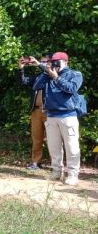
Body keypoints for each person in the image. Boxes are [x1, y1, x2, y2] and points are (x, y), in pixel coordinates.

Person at [42, 52, 83, 185]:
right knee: (53, 146)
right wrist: (46, 72)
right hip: (51, 115)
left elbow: (72, 88)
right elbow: (36, 86)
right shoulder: (48, 75)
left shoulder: (75, 74)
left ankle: (72, 174)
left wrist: (56, 77)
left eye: (56, 62)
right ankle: (56, 171)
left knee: (71, 147)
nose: (54, 64)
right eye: (52, 62)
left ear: (65, 62)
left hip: (68, 115)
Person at [18, 53, 51, 170]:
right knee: (37, 138)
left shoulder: (55, 75)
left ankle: (57, 165)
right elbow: (24, 81)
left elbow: (52, 75)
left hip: (50, 112)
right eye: (41, 61)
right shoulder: (39, 76)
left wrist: (39, 65)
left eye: (45, 62)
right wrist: (21, 69)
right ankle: (36, 162)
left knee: (53, 139)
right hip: (36, 111)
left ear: (51, 63)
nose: (42, 64)